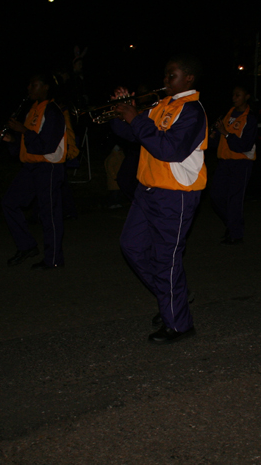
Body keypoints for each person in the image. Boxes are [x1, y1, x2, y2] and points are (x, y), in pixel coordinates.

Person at [110, 56, 207, 344]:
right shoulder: (161, 106)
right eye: (165, 75)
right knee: (131, 246)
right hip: (148, 190)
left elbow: (169, 149)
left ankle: (179, 324)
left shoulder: (192, 111)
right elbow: (133, 134)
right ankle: (174, 299)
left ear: (188, 78)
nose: (165, 80)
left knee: (166, 259)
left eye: (171, 75)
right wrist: (121, 112)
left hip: (176, 193)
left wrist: (136, 118)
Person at [1, 73, 68, 269]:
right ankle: (27, 246)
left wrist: (23, 131)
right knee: (9, 202)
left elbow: (46, 145)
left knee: (49, 214)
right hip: (31, 167)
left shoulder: (53, 111)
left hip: (48, 167)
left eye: (34, 84)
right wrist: (12, 141)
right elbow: (28, 143)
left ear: (46, 87)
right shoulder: (33, 110)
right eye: (29, 84)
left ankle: (53, 259)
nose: (29, 88)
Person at [210, 86, 257, 244]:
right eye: (233, 95)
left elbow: (244, 145)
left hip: (241, 163)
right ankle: (232, 225)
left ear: (247, 96)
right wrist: (214, 135)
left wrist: (225, 132)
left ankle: (236, 234)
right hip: (224, 161)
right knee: (216, 196)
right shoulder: (228, 114)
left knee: (234, 199)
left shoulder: (249, 119)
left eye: (238, 95)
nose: (234, 98)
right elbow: (220, 140)